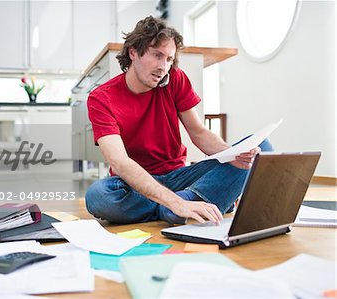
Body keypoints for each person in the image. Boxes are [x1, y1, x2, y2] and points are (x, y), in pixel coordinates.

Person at [85, 16, 273, 225]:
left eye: (168, 59)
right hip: (135, 184)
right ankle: (191, 202)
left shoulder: (175, 78)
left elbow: (199, 133)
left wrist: (233, 156)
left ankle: (188, 202)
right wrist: (175, 201)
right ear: (133, 52)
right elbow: (120, 163)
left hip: (179, 176)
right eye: (157, 55)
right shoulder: (101, 98)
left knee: (261, 147)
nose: (163, 66)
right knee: (98, 195)